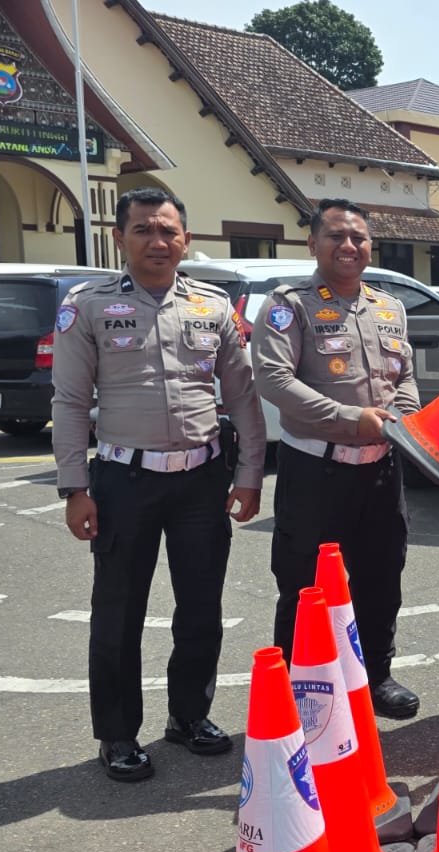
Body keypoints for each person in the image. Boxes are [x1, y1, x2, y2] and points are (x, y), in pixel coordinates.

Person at [51, 186, 266, 782]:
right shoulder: (87, 305)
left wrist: (249, 474)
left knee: (201, 606)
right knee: (118, 611)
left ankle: (189, 716)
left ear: (186, 240)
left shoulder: (213, 306)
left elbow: (243, 398)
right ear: (119, 238)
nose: (157, 240)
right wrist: (75, 487)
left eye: (168, 230)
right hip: (122, 480)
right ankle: (118, 733)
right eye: (143, 229)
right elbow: (70, 401)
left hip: (202, 479)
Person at [252, 199, 422, 719]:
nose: (349, 246)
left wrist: (410, 421)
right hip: (315, 470)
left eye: (359, 238)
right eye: (336, 237)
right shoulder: (289, 305)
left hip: (379, 470)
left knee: (380, 576)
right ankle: (294, 691)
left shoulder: (389, 307)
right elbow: (274, 380)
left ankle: (377, 677)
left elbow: (404, 378)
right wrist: (354, 418)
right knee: (304, 586)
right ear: (313, 244)